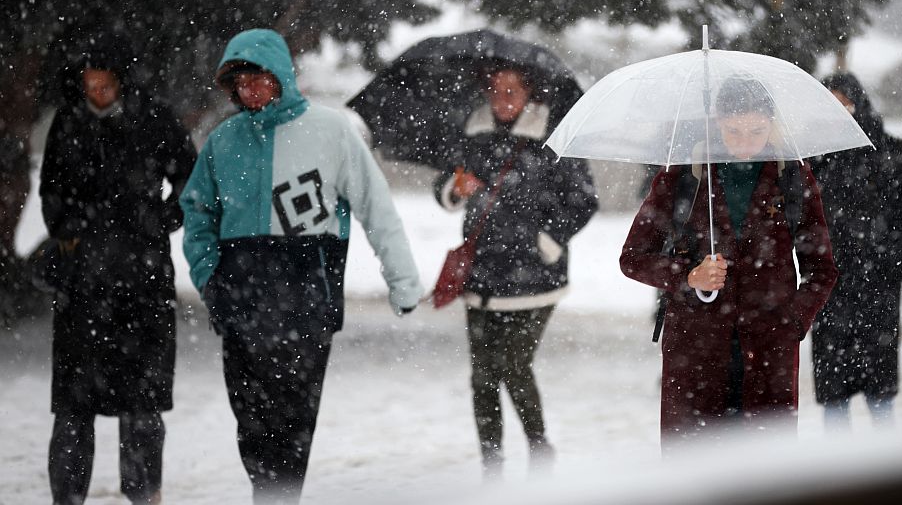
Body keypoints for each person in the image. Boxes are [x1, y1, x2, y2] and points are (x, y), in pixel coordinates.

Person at [180, 28, 422, 503]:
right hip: (240, 297)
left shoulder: (331, 131)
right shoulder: (223, 141)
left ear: (281, 77)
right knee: (250, 418)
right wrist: (209, 278)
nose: (249, 91)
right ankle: (267, 493)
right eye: (240, 83)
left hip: (307, 298)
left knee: (293, 421)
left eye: (258, 79)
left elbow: (376, 207)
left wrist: (403, 281)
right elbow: (197, 212)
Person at [619, 77, 838, 445]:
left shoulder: (792, 176)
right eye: (734, 130)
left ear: (772, 124)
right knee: (696, 469)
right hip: (695, 351)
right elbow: (633, 257)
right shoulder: (684, 174)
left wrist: (792, 322)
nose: (745, 142)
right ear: (717, 121)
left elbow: (822, 269)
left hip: (769, 353)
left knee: (763, 470)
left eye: (757, 130)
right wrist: (688, 275)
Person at [41, 32, 196, 504]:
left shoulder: (155, 119)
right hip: (81, 287)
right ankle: (67, 497)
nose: (97, 93)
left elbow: (190, 179)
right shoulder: (68, 124)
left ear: (122, 82)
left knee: (142, 407)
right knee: (72, 408)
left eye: (105, 85)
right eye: (90, 84)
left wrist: (160, 219)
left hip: (143, 285)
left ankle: (144, 494)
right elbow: (51, 192)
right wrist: (71, 230)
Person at [434, 66, 597, 478]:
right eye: (494, 89)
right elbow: (444, 181)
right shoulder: (473, 133)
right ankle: (492, 461)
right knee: (481, 377)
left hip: (534, 278)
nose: (502, 98)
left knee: (512, 366)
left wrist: (548, 240)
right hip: (482, 274)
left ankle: (540, 448)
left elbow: (583, 199)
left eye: (512, 90)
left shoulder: (555, 137)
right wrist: (456, 188)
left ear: (530, 94)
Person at [810, 72, 902, 430]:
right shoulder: (814, 157)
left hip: (877, 288)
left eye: (844, 102)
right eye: (830, 104)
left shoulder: (888, 152)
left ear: (859, 103)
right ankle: (840, 477)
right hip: (831, 288)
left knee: (880, 397)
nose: (840, 111)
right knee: (834, 398)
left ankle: (888, 475)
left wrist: (883, 251)